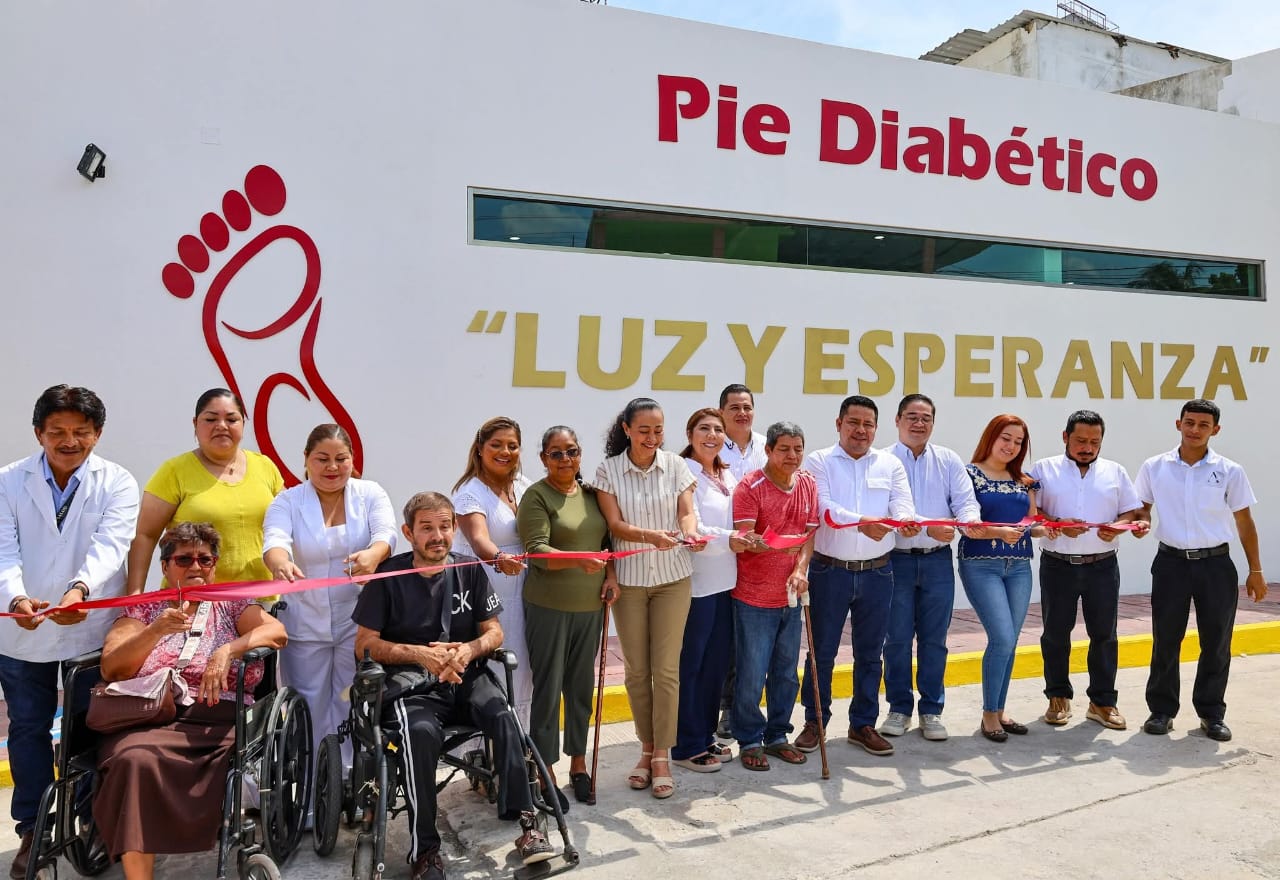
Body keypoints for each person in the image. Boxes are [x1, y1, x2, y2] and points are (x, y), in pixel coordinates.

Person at [353, 492, 552, 880]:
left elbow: (493, 632)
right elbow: (364, 643)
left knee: (504, 716)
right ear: (409, 532)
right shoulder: (388, 577)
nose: (438, 536)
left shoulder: (470, 569)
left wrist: (467, 649)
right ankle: (425, 849)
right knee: (419, 735)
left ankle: (529, 826)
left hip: (467, 675)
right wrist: (419, 655)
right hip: (414, 686)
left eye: (445, 526)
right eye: (427, 527)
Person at [93, 522, 287, 880]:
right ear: (165, 566)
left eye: (205, 559)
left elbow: (276, 632)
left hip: (217, 719)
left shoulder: (232, 605)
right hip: (149, 717)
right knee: (134, 760)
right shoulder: (143, 610)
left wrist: (228, 649)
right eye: (184, 559)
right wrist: (156, 632)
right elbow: (113, 666)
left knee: (147, 758)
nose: (196, 567)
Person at [0, 385, 139, 880]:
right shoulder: (8, 481)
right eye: (57, 431)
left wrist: (81, 591)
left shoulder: (117, 482)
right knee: (29, 729)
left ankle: (87, 820)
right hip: (23, 628)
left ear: (97, 434)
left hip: (89, 625)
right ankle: (34, 830)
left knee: (88, 729)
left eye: (81, 432)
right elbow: (3, 550)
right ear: (38, 432)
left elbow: (111, 545)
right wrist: (17, 599)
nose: (69, 440)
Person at [262, 423, 396, 768]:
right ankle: (309, 793)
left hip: (358, 621)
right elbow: (274, 543)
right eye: (322, 459)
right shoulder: (288, 501)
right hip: (304, 623)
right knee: (308, 706)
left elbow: (386, 534)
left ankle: (349, 784)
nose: (332, 467)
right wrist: (281, 564)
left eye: (341, 458)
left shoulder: (370, 494)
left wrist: (374, 555)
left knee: (350, 701)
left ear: (353, 461)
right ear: (306, 460)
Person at [1134, 399, 1267, 742]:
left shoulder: (1229, 470)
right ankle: (1161, 710)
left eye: (1203, 425)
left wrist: (1255, 570)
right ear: (1177, 424)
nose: (1195, 430)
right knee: (1166, 638)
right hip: (1171, 563)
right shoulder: (1154, 466)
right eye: (1189, 422)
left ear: (1215, 430)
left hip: (1216, 565)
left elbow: (1244, 521)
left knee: (1217, 641)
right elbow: (1141, 508)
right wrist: (1140, 523)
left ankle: (1211, 713)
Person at [594, 397, 703, 800]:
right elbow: (615, 525)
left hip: (674, 577)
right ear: (626, 429)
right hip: (631, 581)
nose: (652, 437)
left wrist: (689, 532)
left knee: (667, 670)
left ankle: (662, 754)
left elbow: (686, 512)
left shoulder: (676, 465)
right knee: (638, 672)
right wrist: (650, 537)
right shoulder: (608, 472)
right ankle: (644, 748)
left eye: (658, 430)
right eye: (644, 430)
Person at [797, 395, 917, 758]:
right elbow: (824, 508)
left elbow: (903, 504)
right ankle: (815, 721)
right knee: (822, 653)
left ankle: (862, 723)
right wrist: (865, 523)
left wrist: (904, 523)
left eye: (868, 424)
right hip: (828, 571)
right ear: (839, 424)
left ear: (876, 428)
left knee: (870, 654)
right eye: (853, 422)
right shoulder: (818, 461)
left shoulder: (890, 463)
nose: (861, 430)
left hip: (878, 573)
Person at [517, 426, 618, 806]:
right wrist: (577, 559)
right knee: (548, 691)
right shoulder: (537, 496)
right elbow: (537, 551)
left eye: (571, 452)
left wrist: (610, 576)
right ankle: (546, 774)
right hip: (549, 608)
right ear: (543, 459)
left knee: (579, 690)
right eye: (556, 453)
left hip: (590, 608)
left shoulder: (591, 496)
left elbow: (608, 545)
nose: (565, 460)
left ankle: (579, 765)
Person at [1029, 410, 1148, 730]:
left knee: (1104, 635)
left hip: (1102, 566)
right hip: (1058, 565)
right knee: (1055, 634)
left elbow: (1131, 511)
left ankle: (1103, 702)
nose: (1087, 447)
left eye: (1095, 442)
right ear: (1065, 436)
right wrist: (1056, 524)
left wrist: (1119, 527)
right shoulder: (1043, 469)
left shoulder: (1115, 471)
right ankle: (1057, 697)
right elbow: (1030, 512)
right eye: (1081, 440)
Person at [881, 394, 981, 742]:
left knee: (935, 640)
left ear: (933, 423)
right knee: (895, 639)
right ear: (897, 420)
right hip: (895, 560)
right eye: (911, 416)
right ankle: (898, 708)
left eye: (925, 418)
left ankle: (932, 711)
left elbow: (965, 502)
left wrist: (968, 522)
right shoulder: (882, 461)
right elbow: (889, 509)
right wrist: (927, 525)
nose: (918, 423)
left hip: (938, 559)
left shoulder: (948, 460)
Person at [957, 414, 1056, 743]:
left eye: (1018, 442)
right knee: (1001, 637)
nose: (1011, 446)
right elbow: (965, 522)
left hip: (1019, 567)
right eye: (1006, 438)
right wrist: (998, 532)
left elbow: (1032, 522)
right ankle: (988, 713)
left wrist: (1054, 529)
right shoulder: (969, 475)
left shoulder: (1025, 481)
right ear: (991, 437)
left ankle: (999, 709)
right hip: (980, 565)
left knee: (1011, 640)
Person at [127, 389, 283, 594]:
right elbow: (145, 535)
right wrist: (134, 595)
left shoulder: (265, 466)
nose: (221, 426)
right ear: (195, 424)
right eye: (210, 419)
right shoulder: (174, 471)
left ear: (243, 423)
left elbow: (286, 525)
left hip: (262, 600)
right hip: (195, 605)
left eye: (231, 419)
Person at [731, 422, 818, 771]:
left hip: (791, 596)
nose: (792, 456)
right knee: (752, 673)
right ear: (768, 450)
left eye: (798, 448)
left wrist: (801, 569)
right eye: (784, 449)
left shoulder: (808, 483)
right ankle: (750, 740)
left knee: (786, 672)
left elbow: (808, 536)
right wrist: (755, 541)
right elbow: (743, 537)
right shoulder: (750, 487)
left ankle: (778, 735)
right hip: (753, 598)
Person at [673, 408, 750, 773]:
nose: (713, 435)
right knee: (691, 665)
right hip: (696, 583)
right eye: (704, 428)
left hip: (727, 582)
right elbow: (694, 526)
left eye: (718, 430)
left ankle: (704, 735)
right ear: (690, 434)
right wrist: (732, 539)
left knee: (716, 667)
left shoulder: (727, 473)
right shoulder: (682, 471)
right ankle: (685, 744)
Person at [451, 417, 534, 727]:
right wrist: (499, 558)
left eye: (512, 445)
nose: (505, 451)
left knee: (522, 669)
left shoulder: (524, 487)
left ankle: (519, 745)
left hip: (524, 590)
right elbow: (479, 540)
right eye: (496, 445)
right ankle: (485, 754)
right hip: (487, 589)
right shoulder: (469, 492)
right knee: (493, 668)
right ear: (480, 449)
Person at [715, 384, 766, 739]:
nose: (741, 413)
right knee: (728, 639)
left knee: (754, 638)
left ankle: (751, 707)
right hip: (724, 554)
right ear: (721, 412)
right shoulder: (712, 448)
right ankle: (728, 709)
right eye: (734, 407)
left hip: (762, 555)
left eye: (747, 406)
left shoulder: (768, 446)